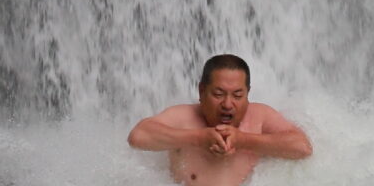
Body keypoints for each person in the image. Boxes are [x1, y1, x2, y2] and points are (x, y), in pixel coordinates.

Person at [128, 55, 312, 184]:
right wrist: (199, 138)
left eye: (238, 95)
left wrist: (243, 140)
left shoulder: (260, 116)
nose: (227, 104)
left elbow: (302, 147)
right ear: (202, 91)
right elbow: (138, 137)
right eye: (218, 94)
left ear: (248, 93)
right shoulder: (183, 116)